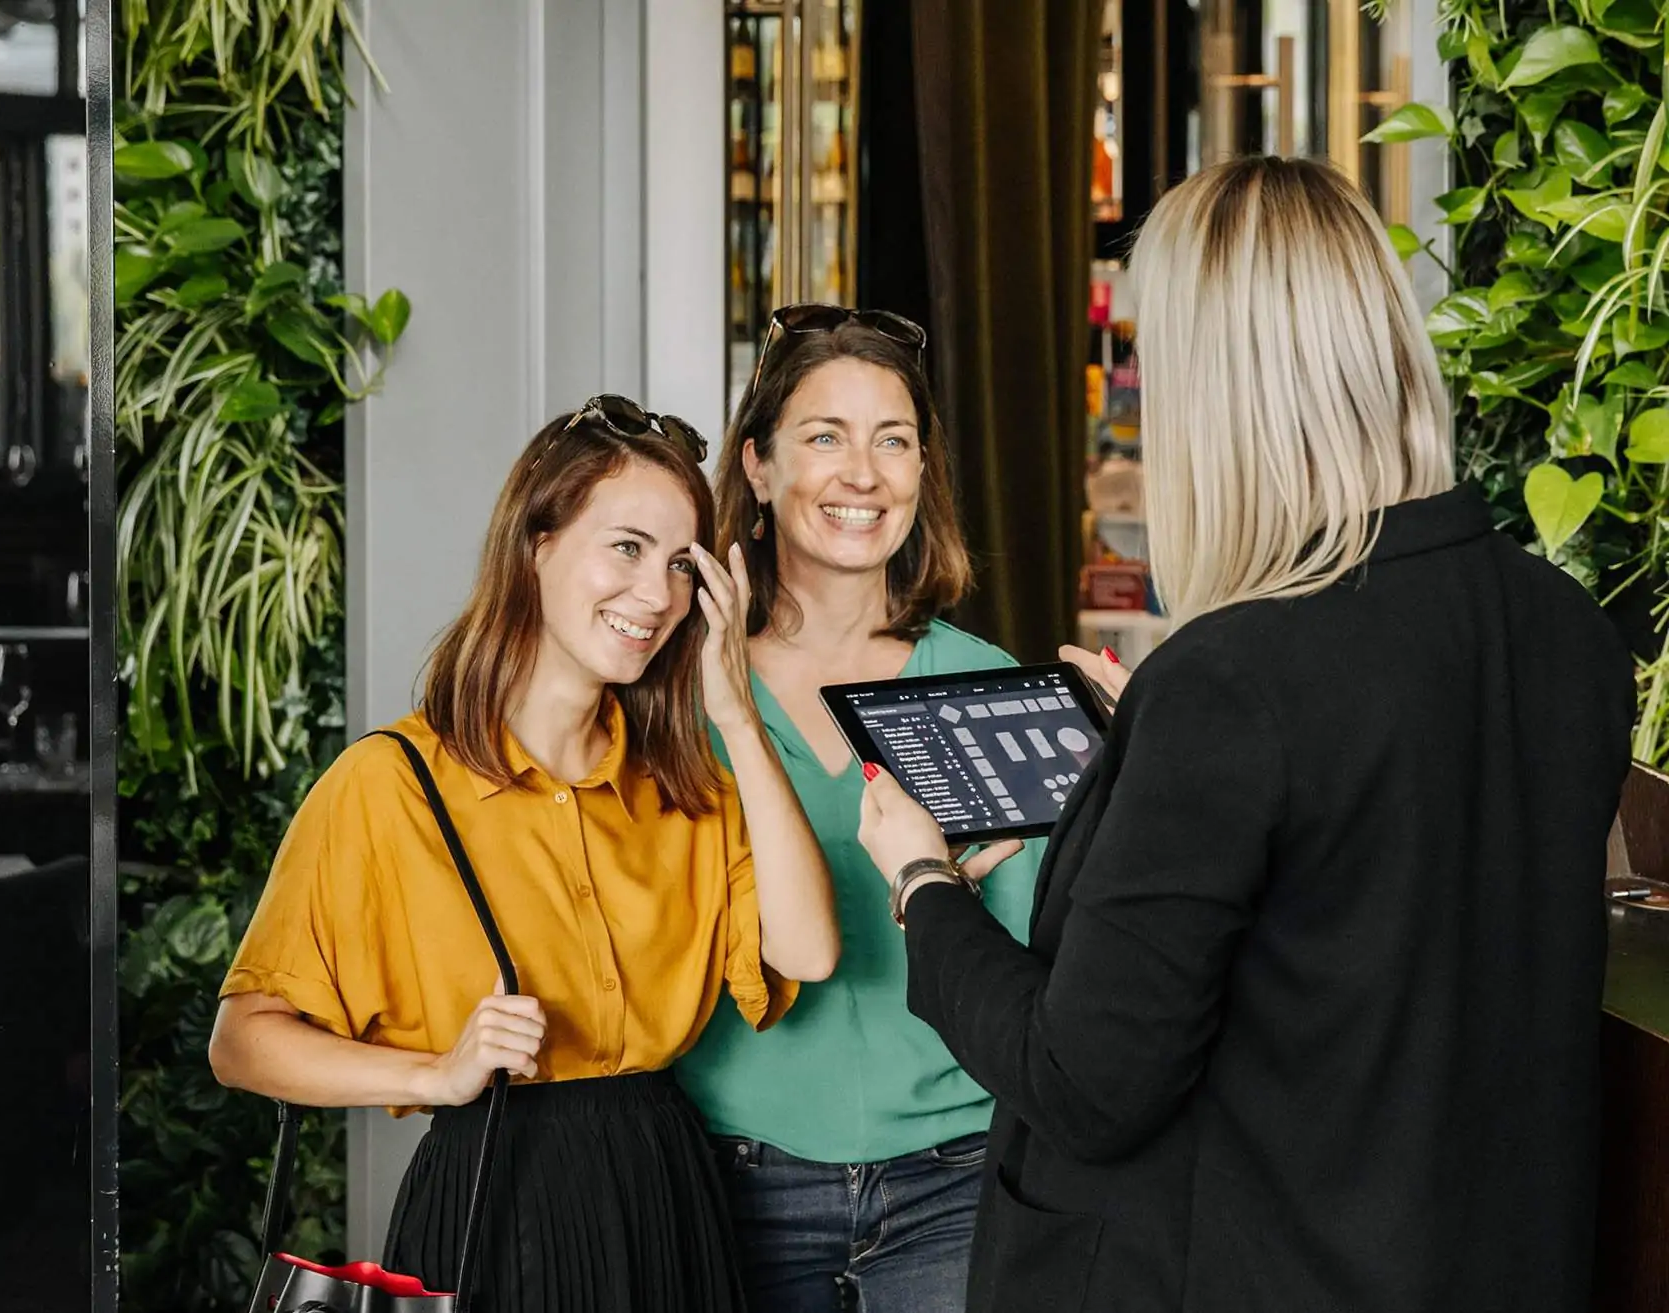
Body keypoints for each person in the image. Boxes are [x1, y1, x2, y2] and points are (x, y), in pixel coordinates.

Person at [853, 155, 1636, 1313]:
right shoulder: (1569, 630)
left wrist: (923, 883)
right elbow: (1385, 897)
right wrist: (1153, 765)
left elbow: (1085, 1081)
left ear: (1224, 392)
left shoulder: (1234, 680)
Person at [208, 396, 840, 1313]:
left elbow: (809, 950)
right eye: (624, 547)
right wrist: (434, 1073)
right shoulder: (389, 785)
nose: (655, 595)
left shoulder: (685, 786)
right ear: (536, 543)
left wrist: (737, 711)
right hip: (492, 1205)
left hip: (664, 1193)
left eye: (678, 565)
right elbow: (242, 1040)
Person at [674, 303, 1042, 1311]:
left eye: (895, 440)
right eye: (824, 436)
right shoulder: (682, 691)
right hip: (733, 1173)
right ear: (757, 466)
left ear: (925, 472)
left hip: (955, 1184)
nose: (863, 474)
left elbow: (1043, 978)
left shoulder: (983, 684)